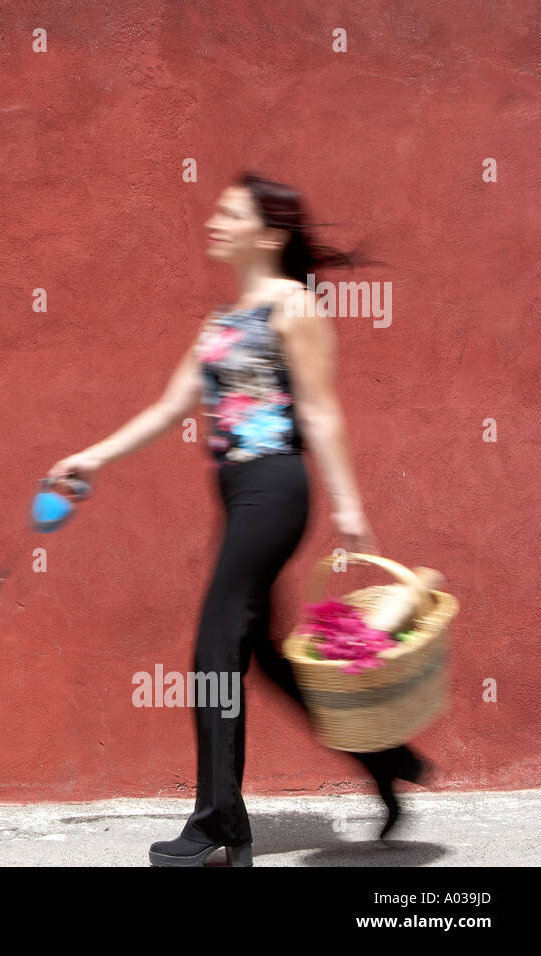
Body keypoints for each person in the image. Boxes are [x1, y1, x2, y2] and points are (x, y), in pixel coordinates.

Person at [47, 171, 427, 867]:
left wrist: (348, 505)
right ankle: (384, 756)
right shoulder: (221, 323)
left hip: (276, 489)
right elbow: (169, 409)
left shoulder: (294, 308)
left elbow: (317, 409)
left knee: (213, 651)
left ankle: (220, 821)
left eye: (231, 213)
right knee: (263, 658)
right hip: (239, 496)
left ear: (271, 233)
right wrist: (90, 459)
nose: (214, 222)